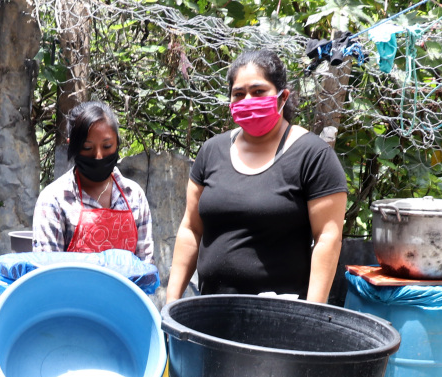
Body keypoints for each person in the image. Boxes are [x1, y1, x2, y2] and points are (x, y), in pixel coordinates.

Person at [166, 49, 347, 303]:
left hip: (279, 319)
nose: (247, 100)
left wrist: (311, 314)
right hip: (208, 312)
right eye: (239, 94)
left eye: (258, 91)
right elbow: (191, 229)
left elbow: (328, 237)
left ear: (282, 97)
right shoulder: (212, 151)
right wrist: (171, 303)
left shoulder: (312, 156)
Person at [31, 101, 154, 261]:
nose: (98, 156)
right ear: (72, 146)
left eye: (107, 146)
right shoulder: (54, 199)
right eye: (88, 148)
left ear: (117, 142)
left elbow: (146, 267)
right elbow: (47, 273)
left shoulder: (133, 196)